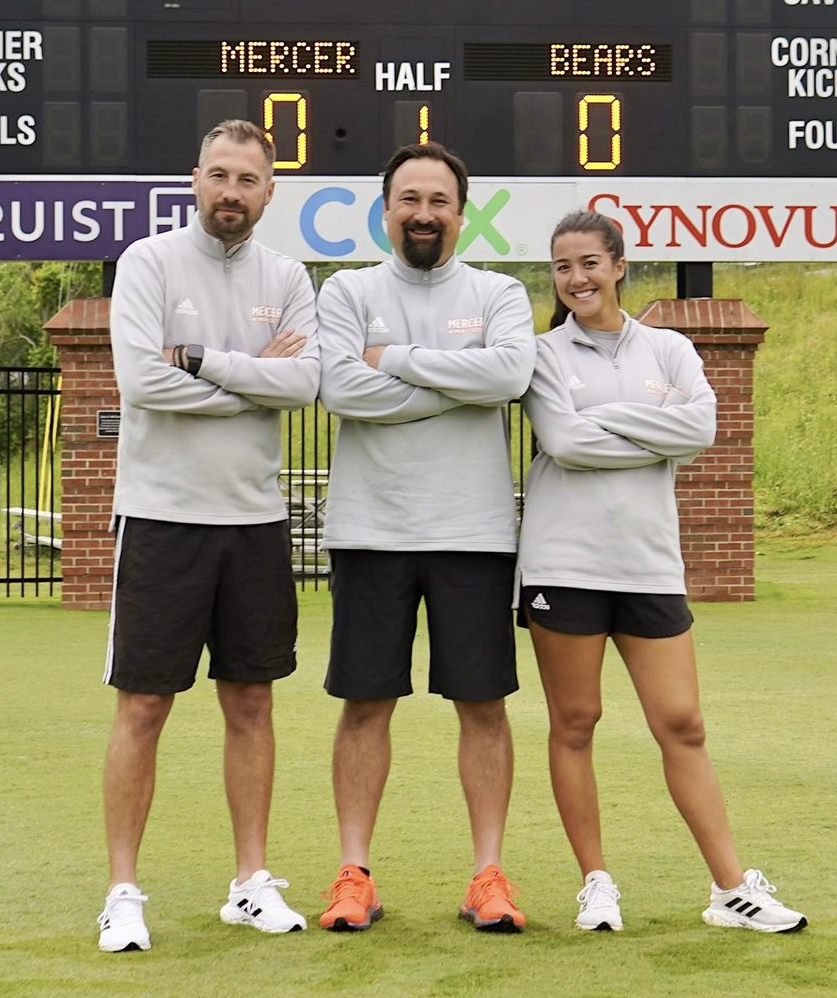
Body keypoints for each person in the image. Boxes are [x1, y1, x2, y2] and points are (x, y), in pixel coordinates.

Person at [516, 208, 807, 934]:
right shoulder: (542, 354)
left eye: (589, 262)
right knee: (575, 722)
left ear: (620, 266)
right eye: (562, 266)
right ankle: (596, 884)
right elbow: (564, 442)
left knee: (683, 723)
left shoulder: (671, 347)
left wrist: (603, 417)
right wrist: (653, 427)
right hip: (564, 564)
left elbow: (700, 428)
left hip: (648, 567)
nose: (576, 278)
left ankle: (730, 889)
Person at [97, 119, 319, 951]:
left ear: (269, 191)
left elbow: (305, 383)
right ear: (195, 179)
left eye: (247, 179)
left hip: (253, 521)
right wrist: (257, 374)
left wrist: (203, 360)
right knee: (144, 705)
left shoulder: (288, 276)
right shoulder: (148, 263)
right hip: (161, 517)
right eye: (219, 175)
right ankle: (123, 891)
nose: (232, 192)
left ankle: (249, 884)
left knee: (252, 702)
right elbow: (141, 382)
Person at [315, 141, 536, 933]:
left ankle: (487, 875)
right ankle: (353, 875)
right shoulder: (347, 290)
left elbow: (510, 376)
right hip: (370, 530)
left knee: (483, 706)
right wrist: (458, 380)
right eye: (409, 198)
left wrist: (397, 361)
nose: (423, 213)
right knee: (364, 705)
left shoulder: (500, 291)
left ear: (461, 213)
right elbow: (342, 388)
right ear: (385, 211)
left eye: (439, 200)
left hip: (473, 533)